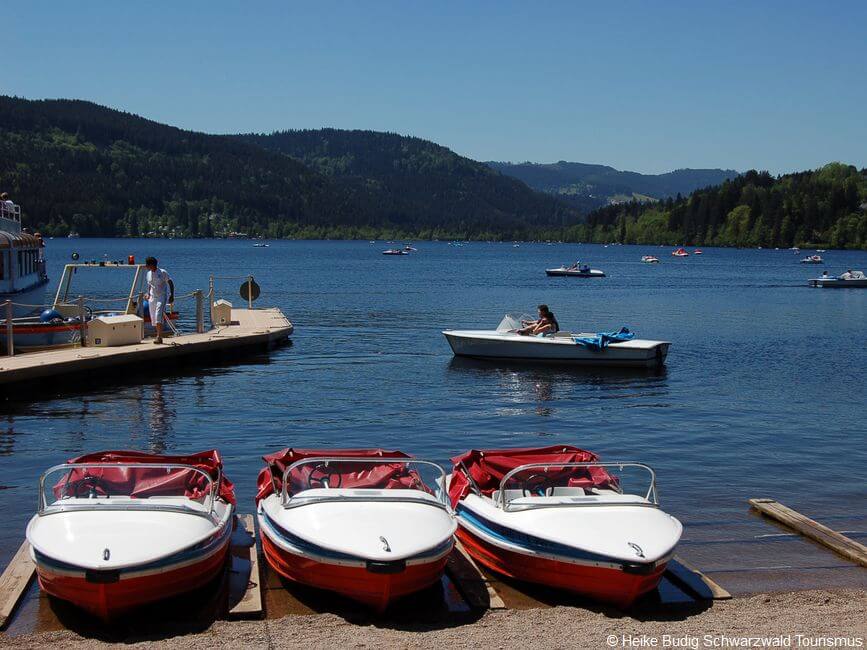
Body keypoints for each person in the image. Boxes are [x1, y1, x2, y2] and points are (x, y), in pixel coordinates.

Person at [144, 256, 174, 344]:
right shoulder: (148, 273)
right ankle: (157, 334)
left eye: (147, 265)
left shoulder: (162, 272)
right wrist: (148, 293)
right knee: (153, 317)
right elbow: (149, 284)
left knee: (158, 315)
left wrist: (172, 295)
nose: (146, 266)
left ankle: (159, 337)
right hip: (152, 297)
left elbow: (170, 282)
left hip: (161, 296)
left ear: (152, 265)